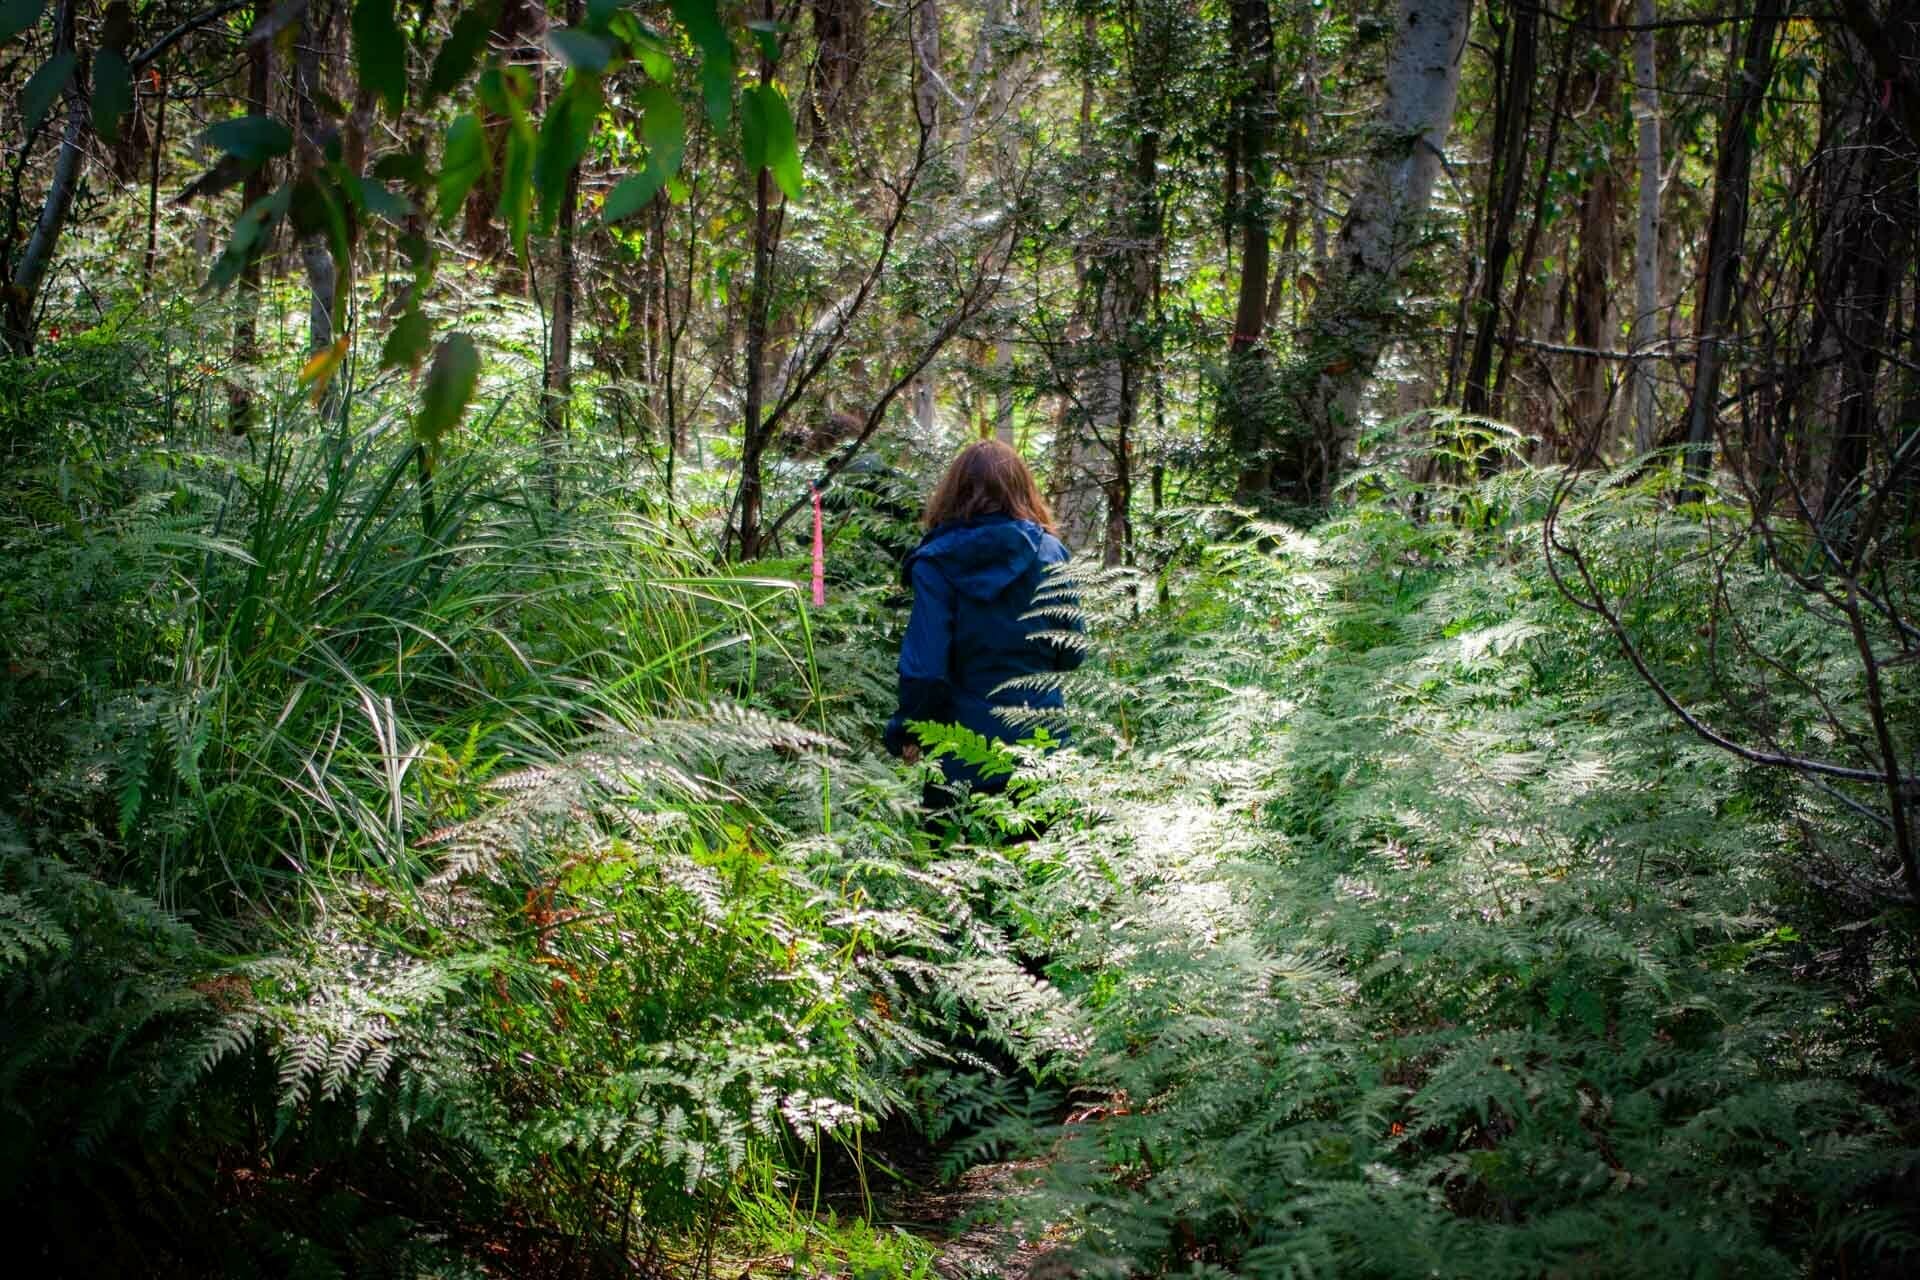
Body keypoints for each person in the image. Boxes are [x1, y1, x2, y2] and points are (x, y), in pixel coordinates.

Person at [882, 440, 1084, 805]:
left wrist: (906, 732)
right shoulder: (1050, 553)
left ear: (952, 493)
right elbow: (1071, 653)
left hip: (960, 760)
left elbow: (926, 670)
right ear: (1022, 490)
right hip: (1041, 754)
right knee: (1042, 861)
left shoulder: (936, 563)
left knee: (954, 862)